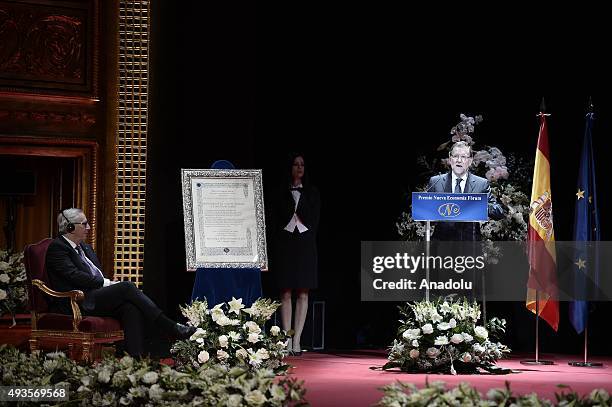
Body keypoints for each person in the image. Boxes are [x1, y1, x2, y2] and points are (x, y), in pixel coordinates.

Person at [46, 208, 197, 357]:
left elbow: (95, 274)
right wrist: (107, 284)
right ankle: (170, 326)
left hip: (93, 297)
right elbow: (74, 275)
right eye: (84, 224)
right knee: (127, 287)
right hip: (76, 302)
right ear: (70, 227)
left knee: (130, 307)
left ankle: (134, 358)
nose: (89, 227)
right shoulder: (58, 248)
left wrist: (109, 283)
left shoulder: (85, 248)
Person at [273, 154, 320, 355]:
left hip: (305, 244)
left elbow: (314, 220)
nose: (299, 168)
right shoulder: (280, 192)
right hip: (285, 243)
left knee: (303, 291)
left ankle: (297, 341)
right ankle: (286, 338)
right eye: (295, 164)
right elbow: (275, 218)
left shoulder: (313, 192)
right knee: (285, 291)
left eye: (302, 164)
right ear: (290, 167)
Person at [427, 141, 504, 241]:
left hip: (470, 247)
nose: (459, 160)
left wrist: (478, 205)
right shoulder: (435, 181)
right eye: (455, 156)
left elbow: (499, 212)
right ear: (450, 159)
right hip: (441, 246)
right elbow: (425, 215)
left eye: (463, 157)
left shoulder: (481, 183)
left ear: (470, 161)